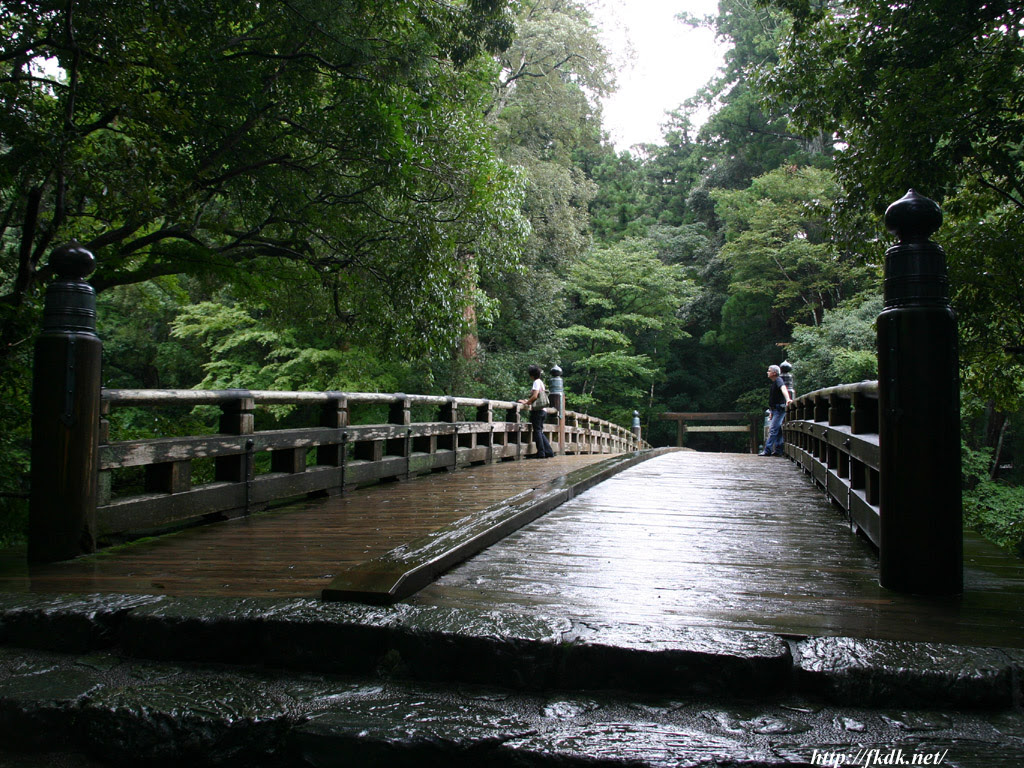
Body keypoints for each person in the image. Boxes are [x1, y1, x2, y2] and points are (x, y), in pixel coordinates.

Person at [518, 364, 555, 458]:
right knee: (539, 431)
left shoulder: (536, 382)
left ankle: (541, 453)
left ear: (531, 375)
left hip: (538, 411)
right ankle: (549, 451)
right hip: (543, 411)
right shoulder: (541, 382)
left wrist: (527, 402)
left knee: (537, 432)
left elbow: (535, 396)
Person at [760, 364, 792, 456]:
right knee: (778, 431)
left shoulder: (778, 380)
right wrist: (771, 411)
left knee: (773, 429)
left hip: (779, 409)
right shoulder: (775, 382)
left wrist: (788, 399)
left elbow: (783, 388)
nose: (767, 372)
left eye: (769, 371)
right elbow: (774, 398)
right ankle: (778, 450)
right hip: (775, 409)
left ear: (774, 373)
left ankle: (767, 450)